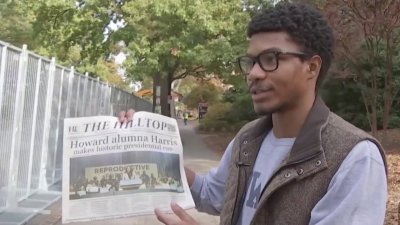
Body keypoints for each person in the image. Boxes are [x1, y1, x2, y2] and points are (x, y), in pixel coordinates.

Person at [119, 2, 387, 225]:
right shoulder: (248, 139)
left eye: (271, 59)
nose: (254, 73)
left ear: (311, 67)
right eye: (251, 62)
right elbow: (211, 194)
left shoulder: (355, 158)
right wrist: (154, 152)